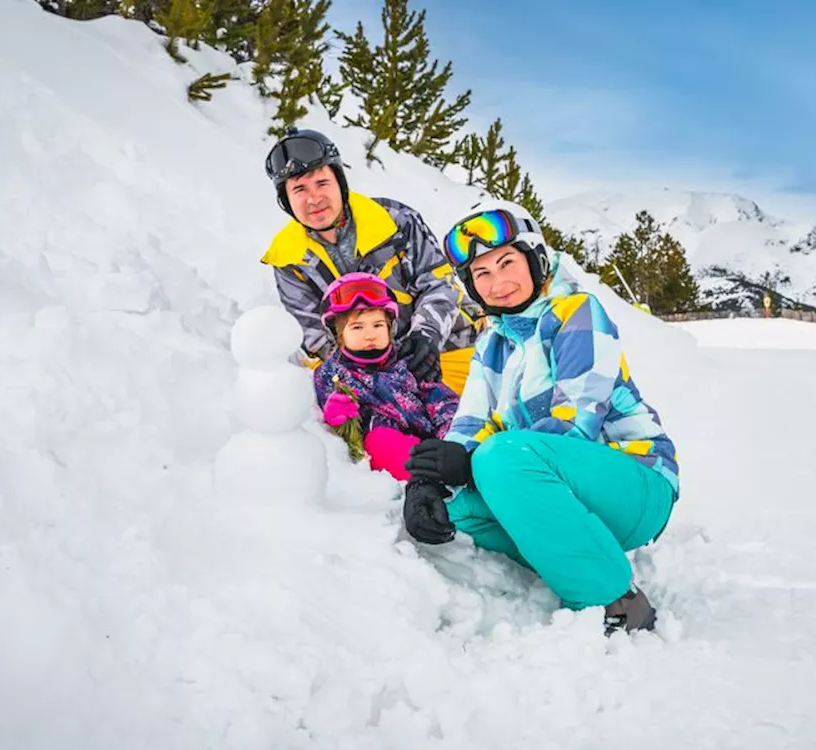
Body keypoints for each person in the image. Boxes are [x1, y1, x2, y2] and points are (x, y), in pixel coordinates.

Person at [402, 200, 680, 636]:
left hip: (637, 485)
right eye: (482, 274)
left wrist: (474, 466)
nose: (498, 283)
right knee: (454, 510)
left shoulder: (577, 313)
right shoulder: (492, 344)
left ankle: (614, 600)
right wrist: (428, 483)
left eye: (507, 262)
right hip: (557, 490)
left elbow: (575, 422)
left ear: (535, 260)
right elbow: (470, 423)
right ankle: (573, 554)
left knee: (499, 458)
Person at [259, 126, 483, 394]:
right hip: (364, 368)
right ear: (286, 200)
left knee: (477, 419)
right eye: (299, 190)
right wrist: (363, 372)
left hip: (446, 347)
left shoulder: (395, 220)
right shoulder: (287, 258)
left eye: (322, 183)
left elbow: (439, 284)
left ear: (340, 182)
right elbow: (312, 332)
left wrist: (426, 337)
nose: (314, 198)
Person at [311, 272, 459, 480]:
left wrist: (450, 434)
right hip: (388, 448)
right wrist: (336, 416)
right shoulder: (332, 374)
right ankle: (427, 480)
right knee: (380, 442)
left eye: (378, 325)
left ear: (390, 327)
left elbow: (442, 400)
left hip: (431, 440)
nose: (369, 334)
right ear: (338, 334)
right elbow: (331, 418)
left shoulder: (409, 360)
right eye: (357, 327)